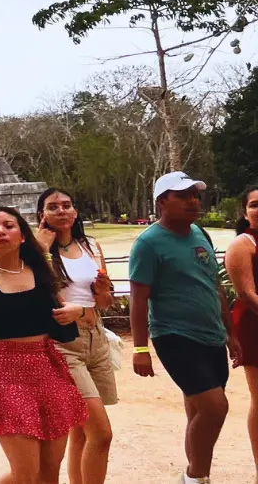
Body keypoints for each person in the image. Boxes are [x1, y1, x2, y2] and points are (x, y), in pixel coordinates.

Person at [0, 208, 86, 484]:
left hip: (47, 369)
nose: (1, 232)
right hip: (4, 373)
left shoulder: (40, 272)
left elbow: (67, 311)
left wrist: (78, 311)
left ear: (22, 236)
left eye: (9, 226)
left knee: (49, 471)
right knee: (26, 473)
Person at [130, 171, 237, 484]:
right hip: (175, 336)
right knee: (215, 408)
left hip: (211, 335)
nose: (193, 200)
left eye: (195, 194)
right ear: (162, 201)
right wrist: (140, 348)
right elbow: (138, 300)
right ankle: (195, 477)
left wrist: (229, 333)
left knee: (198, 412)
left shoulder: (198, 233)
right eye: (183, 195)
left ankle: (195, 477)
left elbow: (214, 284)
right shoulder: (148, 243)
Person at [36, 188, 117, 484]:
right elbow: (39, 295)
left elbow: (105, 303)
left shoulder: (91, 246)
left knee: (81, 430)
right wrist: (41, 249)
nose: (61, 211)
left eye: (67, 205)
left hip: (95, 337)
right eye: (53, 207)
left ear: (76, 212)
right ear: (42, 214)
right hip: (62, 342)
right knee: (101, 433)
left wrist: (102, 292)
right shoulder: (35, 252)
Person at [227, 184, 258, 482]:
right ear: (244, 211)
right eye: (255, 204)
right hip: (255, 326)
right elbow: (246, 294)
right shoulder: (243, 244)